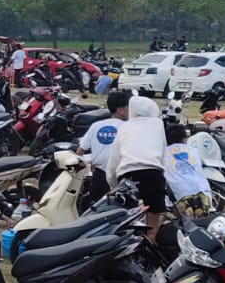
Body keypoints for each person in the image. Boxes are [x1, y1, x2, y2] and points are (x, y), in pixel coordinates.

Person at [107, 94, 168, 240]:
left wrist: (113, 185)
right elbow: (163, 153)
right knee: (152, 228)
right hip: (153, 172)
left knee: (128, 223)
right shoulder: (158, 124)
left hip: (127, 175)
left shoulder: (124, 127)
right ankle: (151, 255)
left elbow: (114, 160)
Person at [78, 90, 130, 206]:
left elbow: (80, 151)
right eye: (129, 108)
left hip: (99, 176)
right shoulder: (129, 128)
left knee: (96, 209)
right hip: (121, 177)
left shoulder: (96, 126)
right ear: (120, 110)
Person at [162, 123, 214, 218]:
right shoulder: (194, 151)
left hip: (179, 198)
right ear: (184, 138)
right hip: (204, 195)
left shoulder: (162, 153)